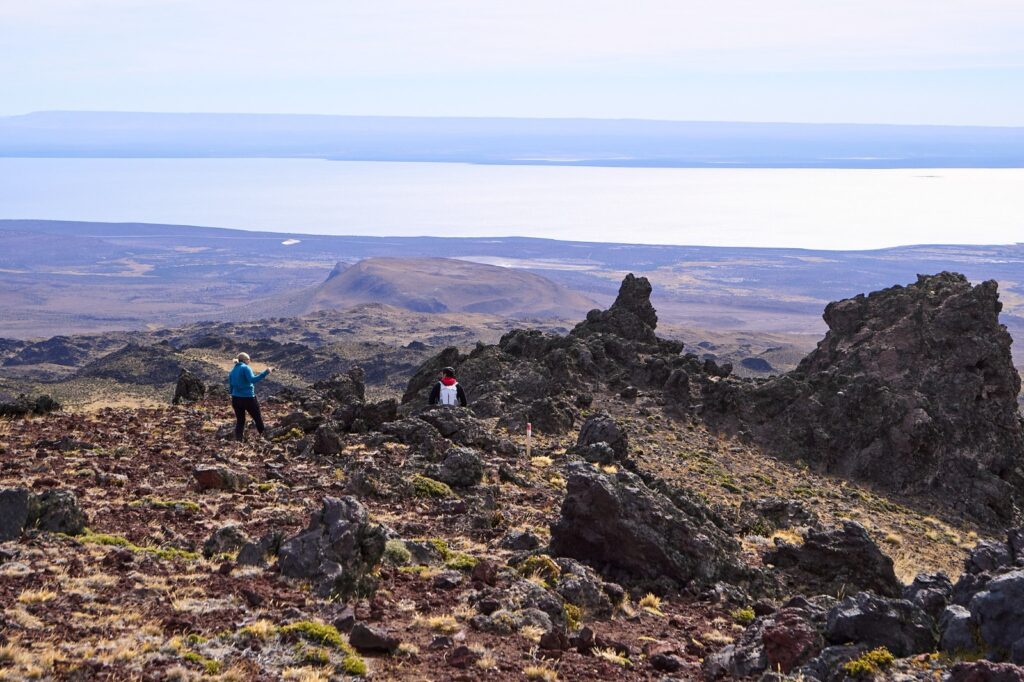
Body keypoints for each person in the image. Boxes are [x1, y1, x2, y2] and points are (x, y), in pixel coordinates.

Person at [228, 352, 273, 441]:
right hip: (248, 398)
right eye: (249, 360)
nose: (249, 361)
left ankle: (238, 441)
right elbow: (252, 380)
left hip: (235, 399)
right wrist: (266, 372)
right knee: (257, 418)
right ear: (245, 360)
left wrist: (235, 394)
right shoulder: (245, 368)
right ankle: (264, 439)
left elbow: (230, 388)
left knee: (240, 421)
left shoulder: (232, 371)